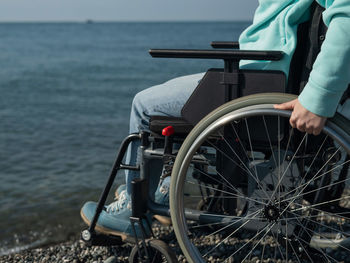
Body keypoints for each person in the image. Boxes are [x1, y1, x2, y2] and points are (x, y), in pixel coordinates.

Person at [81, 0, 350, 238]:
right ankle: (162, 190)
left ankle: (133, 211)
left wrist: (318, 97)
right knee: (178, 102)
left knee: (144, 105)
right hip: (267, 74)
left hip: (261, 80)